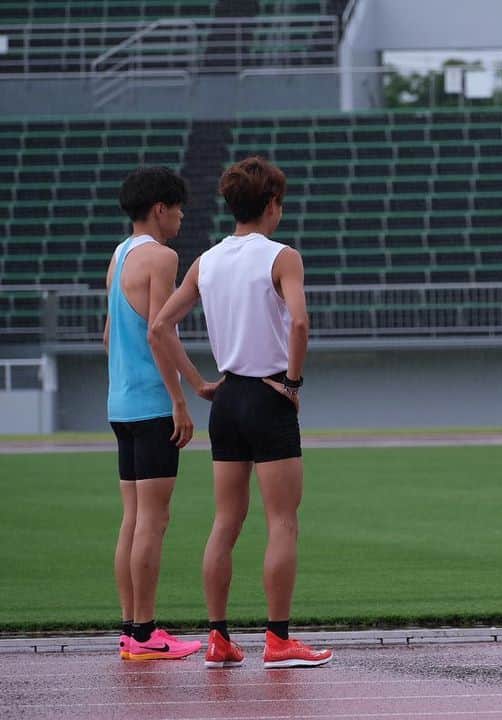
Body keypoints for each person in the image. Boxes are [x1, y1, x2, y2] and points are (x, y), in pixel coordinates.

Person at [149, 156, 331, 669]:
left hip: (225, 401)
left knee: (225, 522)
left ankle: (218, 637)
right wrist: (293, 384)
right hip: (270, 395)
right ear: (272, 204)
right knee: (283, 522)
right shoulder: (282, 256)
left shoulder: (207, 260)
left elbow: (160, 327)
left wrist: (200, 385)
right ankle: (278, 639)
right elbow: (299, 324)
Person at [106, 166, 213, 661]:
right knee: (153, 521)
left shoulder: (118, 256)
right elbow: (159, 332)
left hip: (121, 405)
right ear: (159, 210)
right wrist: (185, 394)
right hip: (151, 407)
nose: (182, 216)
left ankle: (132, 630)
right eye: (178, 208)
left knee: (133, 519)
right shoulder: (162, 257)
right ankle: (147, 635)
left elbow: (110, 336)